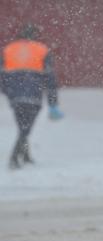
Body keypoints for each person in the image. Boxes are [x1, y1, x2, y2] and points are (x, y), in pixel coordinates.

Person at [0, 23, 64, 169]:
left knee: (22, 125)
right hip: (33, 95)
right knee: (25, 128)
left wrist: (8, 93)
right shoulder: (42, 50)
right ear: (35, 35)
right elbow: (50, 78)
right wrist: (53, 103)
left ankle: (25, 155)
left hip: (15, 96)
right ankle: (14, 157)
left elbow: (2, 75)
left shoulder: (9, 49)